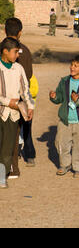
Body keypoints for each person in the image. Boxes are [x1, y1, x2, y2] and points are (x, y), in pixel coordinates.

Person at [49, 55, 79, 178]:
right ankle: (64, 164)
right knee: (61, 143)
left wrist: (78, 101)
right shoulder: (64, 81)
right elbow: (59, 98)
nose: (72, 67)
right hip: (65, 120)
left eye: (76, 66)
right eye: (71, 65)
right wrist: (54, 97)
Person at [0, 37, 34, 188]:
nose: (17, 55)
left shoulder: (18, 69)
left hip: (12, 115)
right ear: (5, 52)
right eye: (15, 52)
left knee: (7, 148)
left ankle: (2, 177)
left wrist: (29, 105)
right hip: (3, 110)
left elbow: (25, 90)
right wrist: (9, 102)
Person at [4, 17, 36, 177]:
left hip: (7, 100)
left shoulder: (3, 49)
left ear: (5, 31)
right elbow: (29, 74)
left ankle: (10, 165)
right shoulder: (26, 50)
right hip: (22, 97)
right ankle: (29, 156)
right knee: (24, 128)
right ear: (20, 32)